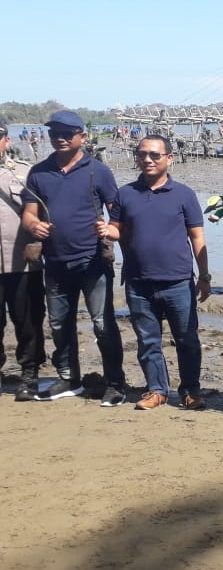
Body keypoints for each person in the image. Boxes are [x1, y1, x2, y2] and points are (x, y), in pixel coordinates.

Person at [22, 110, 127, 404]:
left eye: (67, 133)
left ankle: (115, 382)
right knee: (59, 324)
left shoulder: (99, 171)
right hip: (55, 262)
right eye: (54, 132)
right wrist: (34, 225)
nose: (60, 138)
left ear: (82, 136)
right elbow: (30, 213)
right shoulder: (39, 172)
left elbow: (117, 211)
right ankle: (69, 378)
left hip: (93, 261)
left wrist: (111, 228)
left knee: (102, 323)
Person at [102, 135, 210, 410]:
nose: (147, 159)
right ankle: (157, 390)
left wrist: (205, 276)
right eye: (142, 155)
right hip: (138, 283)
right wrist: (106, 230)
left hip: (178, 281)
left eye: (154, 155)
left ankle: (190, 390)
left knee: (186, 339)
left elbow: (197, 237)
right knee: (148, 340)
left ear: (169, 159)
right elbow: (116, 229)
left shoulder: (184, 194)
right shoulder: (125, 194)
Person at [0, 123, 45, 401]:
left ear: (5, 140)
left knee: (28, 321)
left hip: (22, 262)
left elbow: (46, 213)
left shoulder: (25, 172)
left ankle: (29, 374)